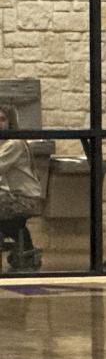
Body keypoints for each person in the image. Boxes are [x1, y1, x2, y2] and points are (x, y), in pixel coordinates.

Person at [0, 104, 43, 269]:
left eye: (2, 119)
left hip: (25, 199)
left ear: (11, 123)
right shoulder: (5, 144)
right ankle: (25, 247)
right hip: (16, 196)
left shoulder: (14, 144)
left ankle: (25, 248)